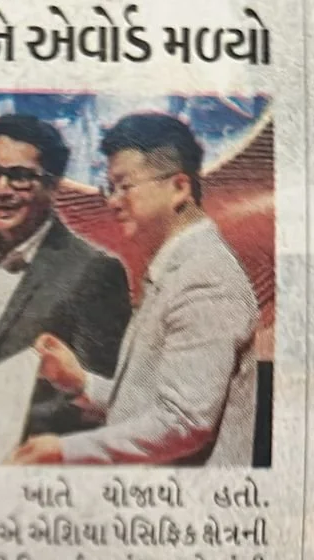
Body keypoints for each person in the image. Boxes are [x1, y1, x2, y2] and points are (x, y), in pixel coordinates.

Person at [13, 112, 259, 466]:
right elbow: (149, 405)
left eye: (124, 186)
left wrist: (65, 450)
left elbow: (184, 422)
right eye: (110, 187)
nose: (112, 201)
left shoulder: (206, 279)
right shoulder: (180, 269)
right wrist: (80, 382)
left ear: (179, 187)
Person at [0, 113, 131, 437]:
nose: (1, 190)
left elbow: (95, 397)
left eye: (19, 177)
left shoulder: (95, 271)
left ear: (53, 183)